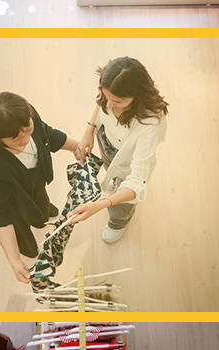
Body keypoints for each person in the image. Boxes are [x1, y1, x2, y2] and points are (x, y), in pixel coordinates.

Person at [0, 92, 84, 284]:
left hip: (38, 179)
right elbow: (2, 213)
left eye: (28, 129)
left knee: (42, 207)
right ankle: (28, 248)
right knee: (24, 232)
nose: (26, 139)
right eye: (16, 139)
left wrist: (75, 145)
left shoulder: (28, 116)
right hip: (16, 202)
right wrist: (15, 261)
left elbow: (47, 133)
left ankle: (41, 216)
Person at [68, 57, 169, 243]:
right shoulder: (110, 94)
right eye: (106, 97)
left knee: (124, 198)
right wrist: (89, 129)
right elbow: (101, 102)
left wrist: (101, 204)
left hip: (128, 157)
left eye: (117, 102)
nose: (107, 105)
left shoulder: (149, 124)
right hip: (107, 140)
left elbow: (136, 183)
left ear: (136, 95)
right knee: (112, 172)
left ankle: (118, 221)